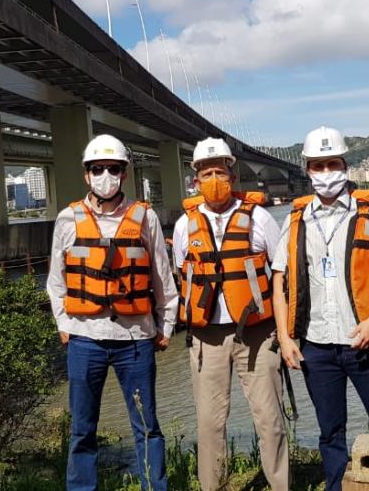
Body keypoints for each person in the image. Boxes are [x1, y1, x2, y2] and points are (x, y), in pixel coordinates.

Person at [271, 126, 369, 491]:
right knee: (330, 431)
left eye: (332, 163)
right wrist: (285, 337)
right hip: (316, 345)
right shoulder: (296, 221)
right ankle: (336, 485)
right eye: (318, 165)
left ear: (345, 165)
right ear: (308, 170)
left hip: (363, 342)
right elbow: (278, 280)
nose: (325, 172)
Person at [47, 134, 179, 491]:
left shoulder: (145, 217)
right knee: (82, 430)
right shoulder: (67, 219)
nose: (106, 175)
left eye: (114, 168)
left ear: (124, 173)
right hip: (84, 339)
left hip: (134, 340)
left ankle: (154, 485)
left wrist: (166, 324)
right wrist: (64, 324)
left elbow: (162, 277)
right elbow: (55, 281)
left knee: (146, 426)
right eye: (98, 169)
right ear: (87, 174)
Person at [172, 138, 288, 490]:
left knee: (269, 419)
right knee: (210, 423)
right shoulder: (184, 225)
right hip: (207, 337)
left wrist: (284, 332)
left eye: (219, 172)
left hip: (257, 332)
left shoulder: (260, 218)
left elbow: (280, 272)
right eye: (206, 173)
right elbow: (182, 274)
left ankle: (280, 484)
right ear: (195, 179)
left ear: (232, 174)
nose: (213, 179)